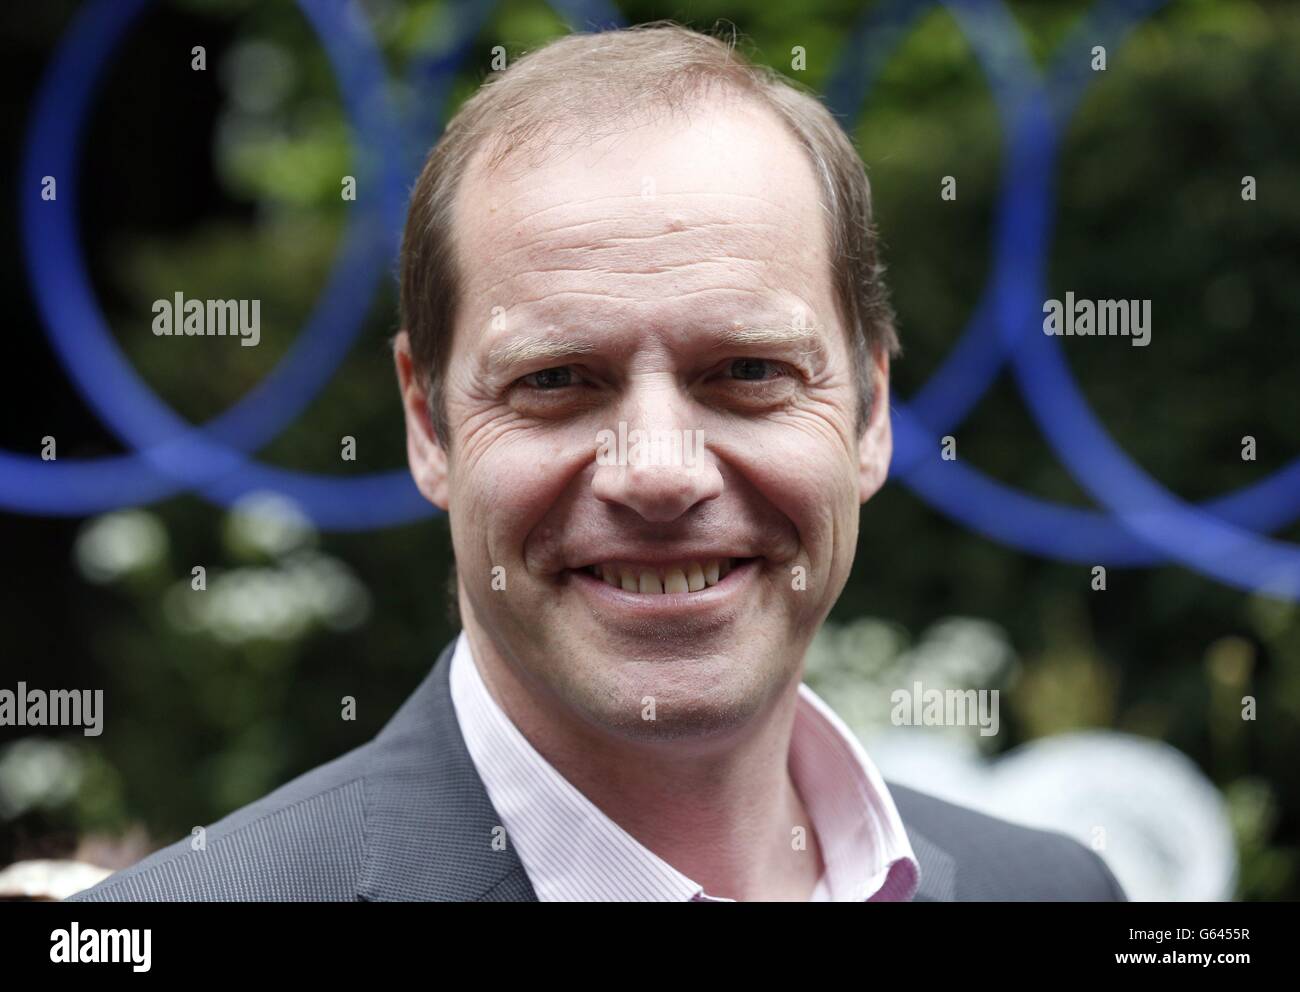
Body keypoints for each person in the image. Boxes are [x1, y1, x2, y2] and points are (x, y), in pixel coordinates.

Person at [71, 21, 1124, 902]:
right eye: (558, 379)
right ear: (428, 425)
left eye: (747, 369)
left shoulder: (1050, 888)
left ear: (870, 408)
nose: (658, 471)